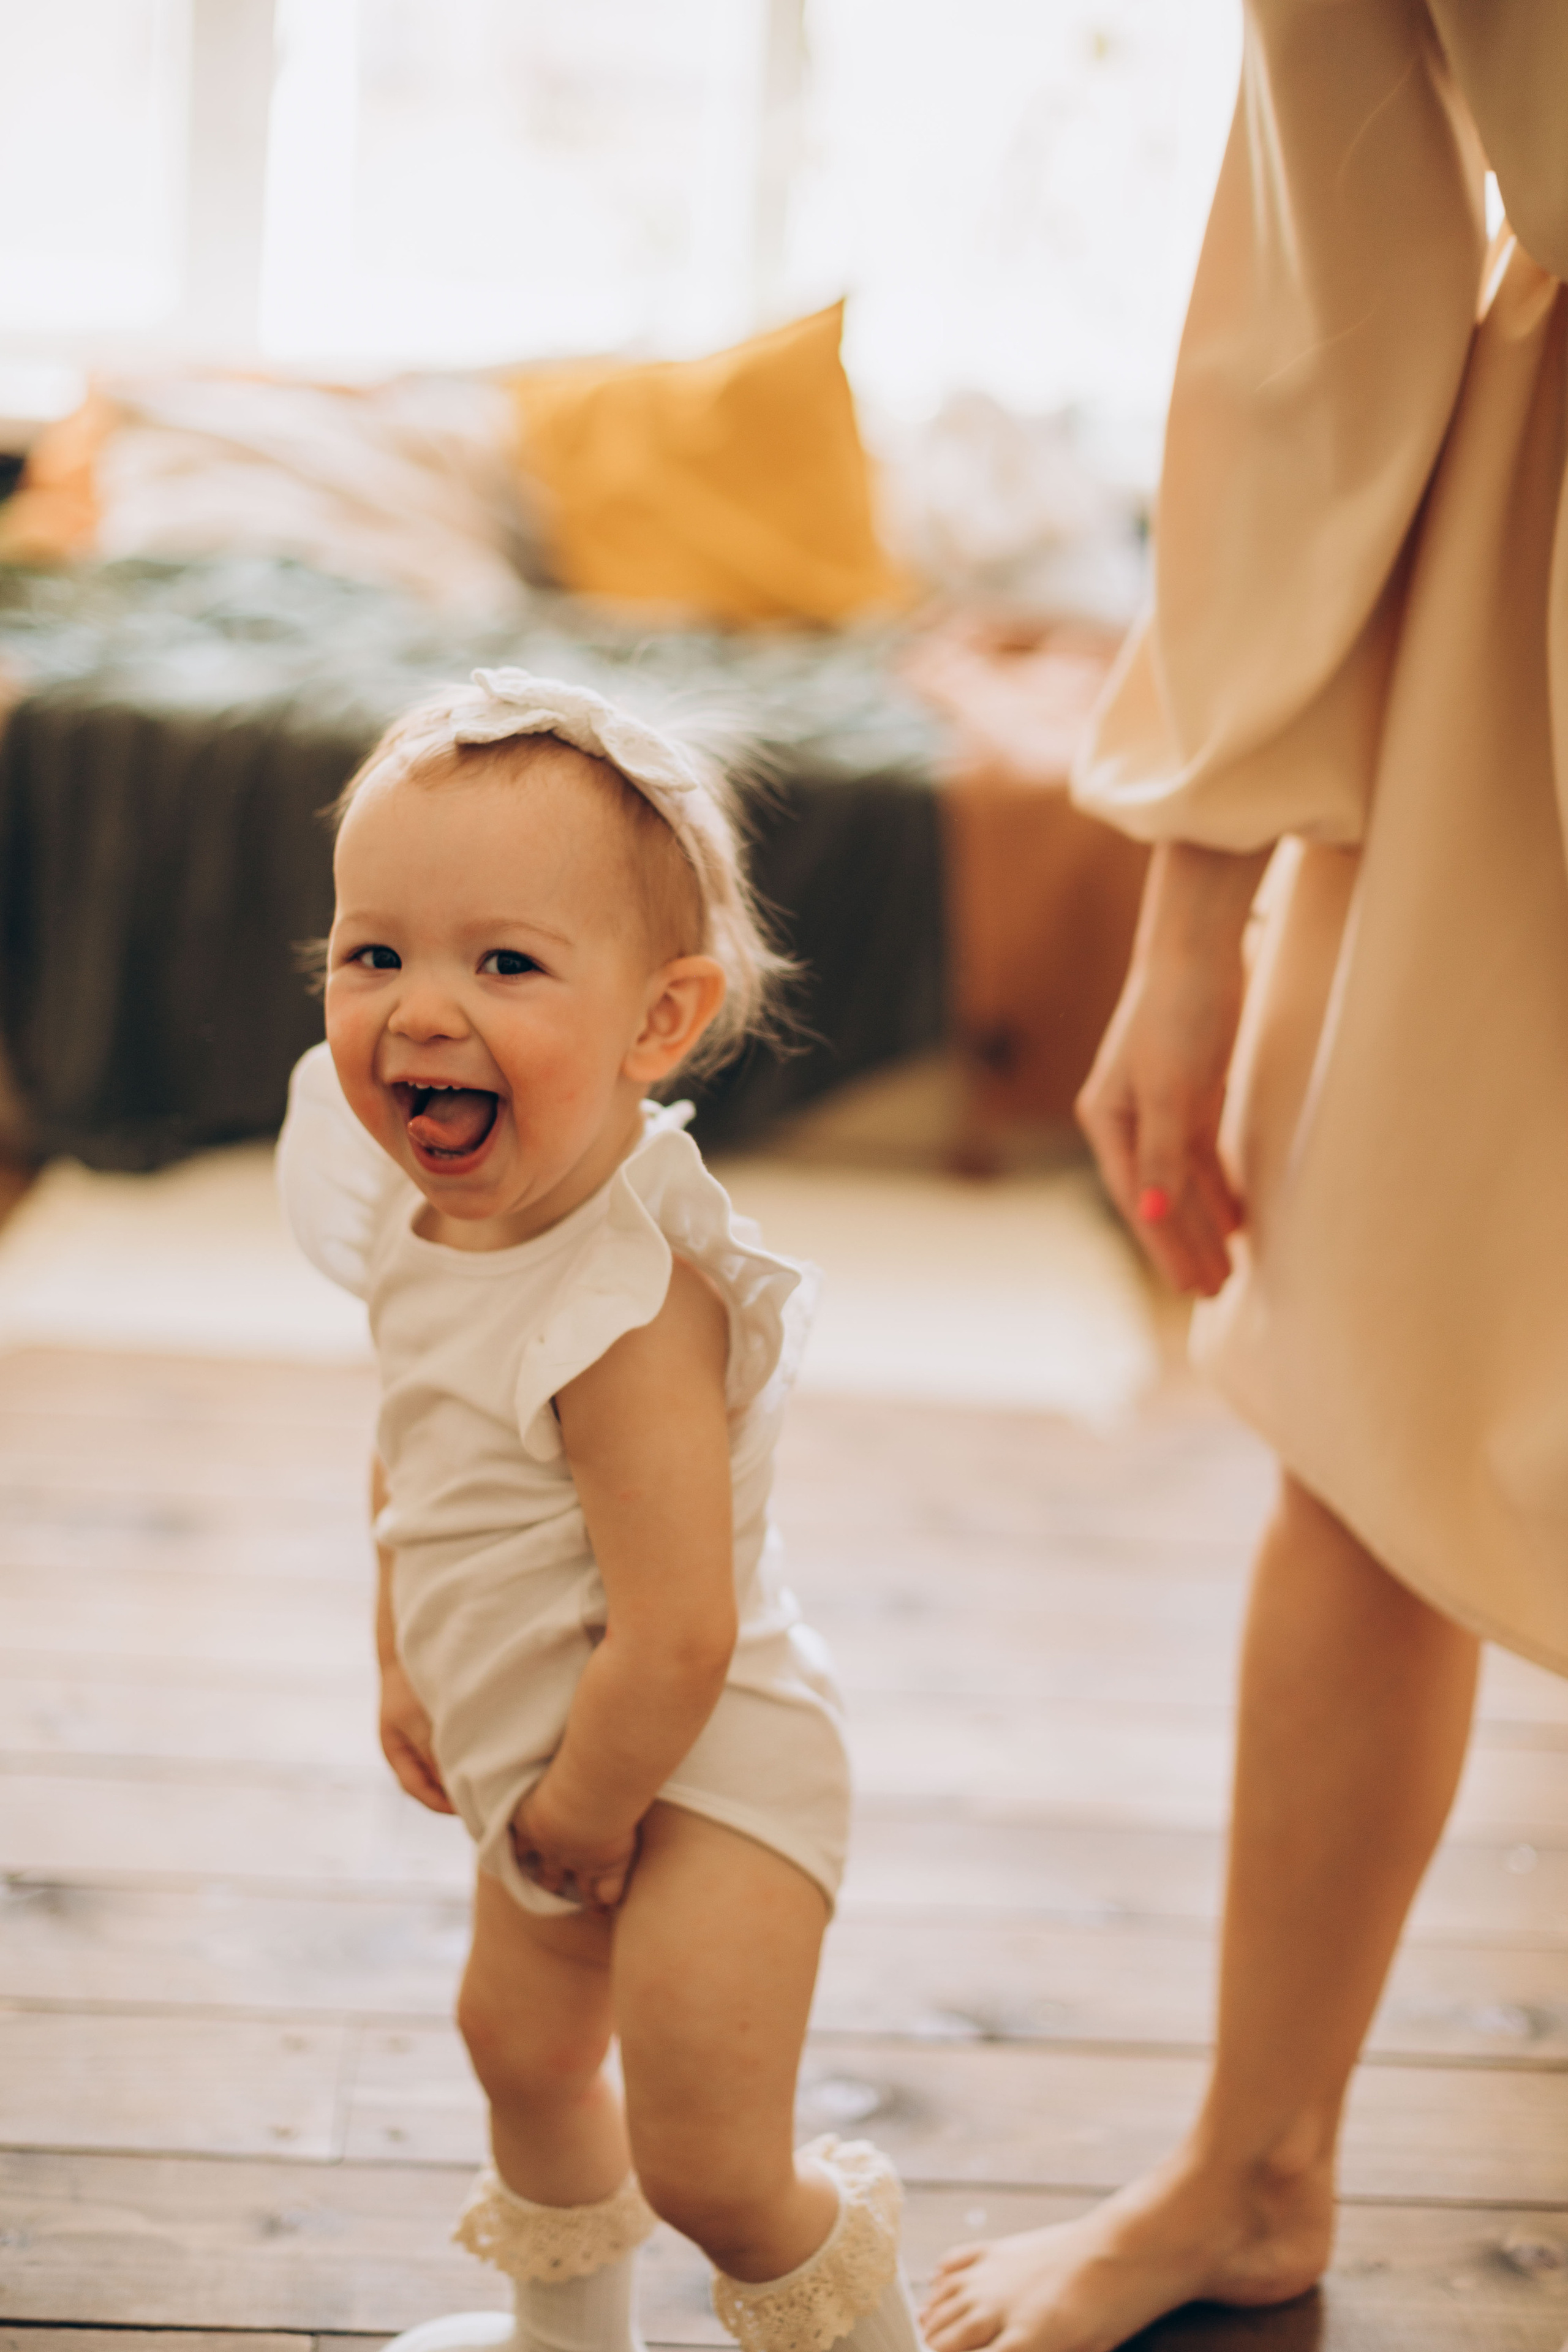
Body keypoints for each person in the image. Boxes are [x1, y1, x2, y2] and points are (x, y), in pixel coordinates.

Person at [921, 6, 1568, 2350]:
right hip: (1536, 637)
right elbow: (1321, 290)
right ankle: (1256, 2165)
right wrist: (1195, 912)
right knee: (1363, 1400)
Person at [277, 669, 925, 2352]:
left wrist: (586, 1804)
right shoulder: (424, 1230)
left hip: (698, 1765)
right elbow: (411, 1461)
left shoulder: (627, 1298)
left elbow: (685, 1627)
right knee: (526, 2050)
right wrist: (402, 1661)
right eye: (375, 953)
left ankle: (867, 2335)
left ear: (658, 1022)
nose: (420, 1011)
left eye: (503, 963)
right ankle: (567, 2340)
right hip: (548, 1757)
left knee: (713, 2158)